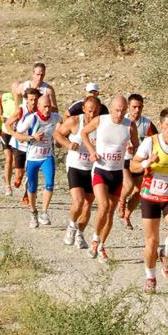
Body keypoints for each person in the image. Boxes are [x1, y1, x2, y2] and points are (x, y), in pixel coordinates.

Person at [130, 108, 168, 294]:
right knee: (151, 241)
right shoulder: (150, 142)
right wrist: (147, 163)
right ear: (162, 125)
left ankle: (165, 253)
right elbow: (133, 166)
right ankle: (150, 277)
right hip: (150, 196)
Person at [81, 95, 139, 263]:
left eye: (122, 111)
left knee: (111, 211)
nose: (119, 114)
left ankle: (101, 245)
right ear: (111, 108)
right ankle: (94, 239)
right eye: (116, 110)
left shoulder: (130, 125)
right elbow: (84, 132)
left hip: (117, 173)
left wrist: (131, 148)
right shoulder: (101, 120)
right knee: (103, 205)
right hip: (100, 170)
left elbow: (137, 148)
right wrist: (92, 151)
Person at [54, 96, 101, 248]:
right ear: (83, 109)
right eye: (89, 111)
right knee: (79, 201)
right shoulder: (75, 121)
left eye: (95, 111)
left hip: (92, 168)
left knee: (88, 204)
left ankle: (80, 234)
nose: (92, 115)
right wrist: (68, 144)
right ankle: (72, 226)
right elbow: (57, 134)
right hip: (75, 166)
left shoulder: (102, 124)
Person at [11, 96, 61, 227]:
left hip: (47, 156)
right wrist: (32, 137)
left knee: (50, 183)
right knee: (32, 187)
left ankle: (44, 212)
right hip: (33, 158)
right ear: (38, 106)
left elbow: (64, 125)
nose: (47, 109)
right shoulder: (32, 118)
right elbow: (17, 135)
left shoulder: (55, 117)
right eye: (44, 106)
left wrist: (61, 137)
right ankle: (33, 212)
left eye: (49, 106)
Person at [118, 94, 158, 229]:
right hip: (123, 160)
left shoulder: (147, 124)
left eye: (140, 107)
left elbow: (156, 141)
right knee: (128, 186)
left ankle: (127, 216)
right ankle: (121, 200)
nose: (137, 110)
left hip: (140, 161)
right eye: (134, 107)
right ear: (128, 107)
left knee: (139, 191)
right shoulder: (120, 120)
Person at [5, 88, 41, 204]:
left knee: (31, 171)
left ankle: (27, 195)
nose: (33, 102)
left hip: (33, 146)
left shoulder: (41, 110)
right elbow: (7, 124)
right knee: (20, 174)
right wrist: (15, 134)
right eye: (31, 99)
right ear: (26, 99)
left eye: (35, 99)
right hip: (19, 145)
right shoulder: (21, 110)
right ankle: (17, 178)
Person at [0, 92, 17, 196]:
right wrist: (0, 114)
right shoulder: (5, 96)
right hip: (5, 132)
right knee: (9, 158)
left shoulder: (24, 99)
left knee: (16, 160)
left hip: (17, 132)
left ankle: (7, 172)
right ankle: (8, 186)